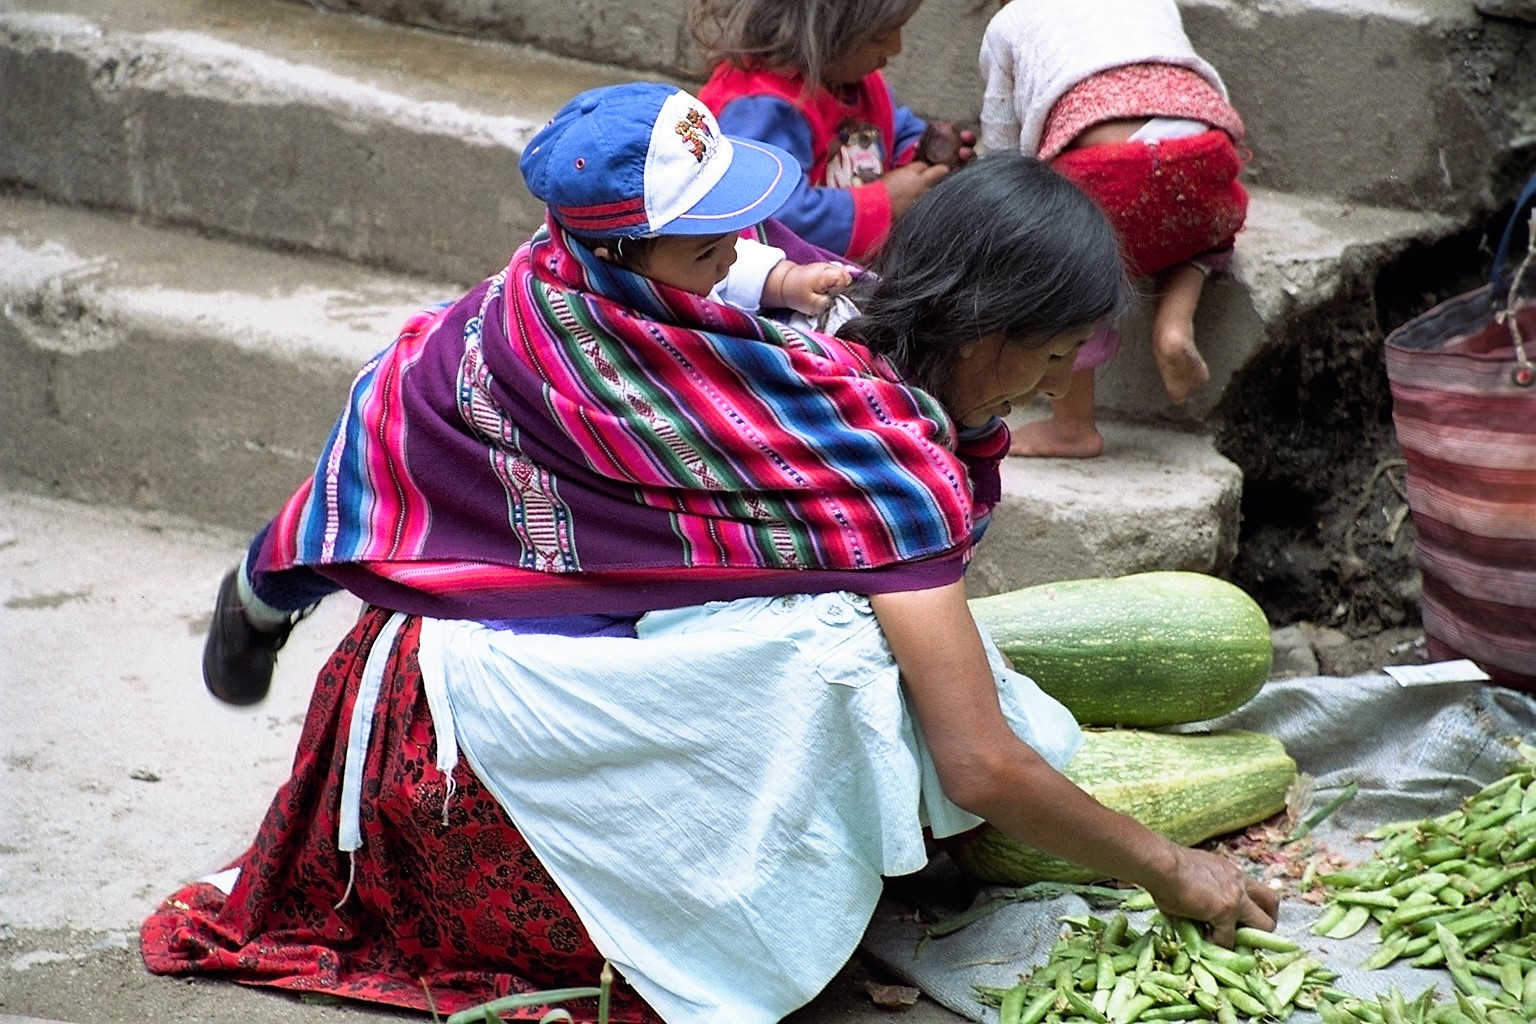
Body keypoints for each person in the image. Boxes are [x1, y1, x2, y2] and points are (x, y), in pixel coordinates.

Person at [145, 82, 1278, 1024]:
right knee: (846, 653)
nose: (1054, 385)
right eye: (1047, 356)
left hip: (424, 647)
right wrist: (1171, 866)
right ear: (980, 329)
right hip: (457, 726)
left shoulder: (678, 306)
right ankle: (274, 585)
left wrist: (766, 274)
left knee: (849, 634)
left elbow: (724, 286)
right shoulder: (861, 453)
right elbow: (977, 760)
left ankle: (277, 580)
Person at [200, 84, 855, 706]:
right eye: (712, 249)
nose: (730, 260)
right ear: (615, 256)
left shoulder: (654, 260)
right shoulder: (568, 354)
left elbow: (725, 261)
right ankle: (255, 604)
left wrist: (785, 281)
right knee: (355, 519)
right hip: (444, 425)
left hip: (543, 463)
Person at [979, 0, 1249, 458]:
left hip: (1107, 171)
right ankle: (1174, 324)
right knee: (1205, 228)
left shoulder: (1010, 23)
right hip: (1205, 151)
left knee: (1072, 268)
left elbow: (1004, 153)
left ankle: (1072, 428)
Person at [688, 0, 976, 262]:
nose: (895, 48)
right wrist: (885, 203)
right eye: (879, 36)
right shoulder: (762, 107)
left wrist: (925, 156)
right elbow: (771, 217)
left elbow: (895, 127)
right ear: (823, 30)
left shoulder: (855, 81)